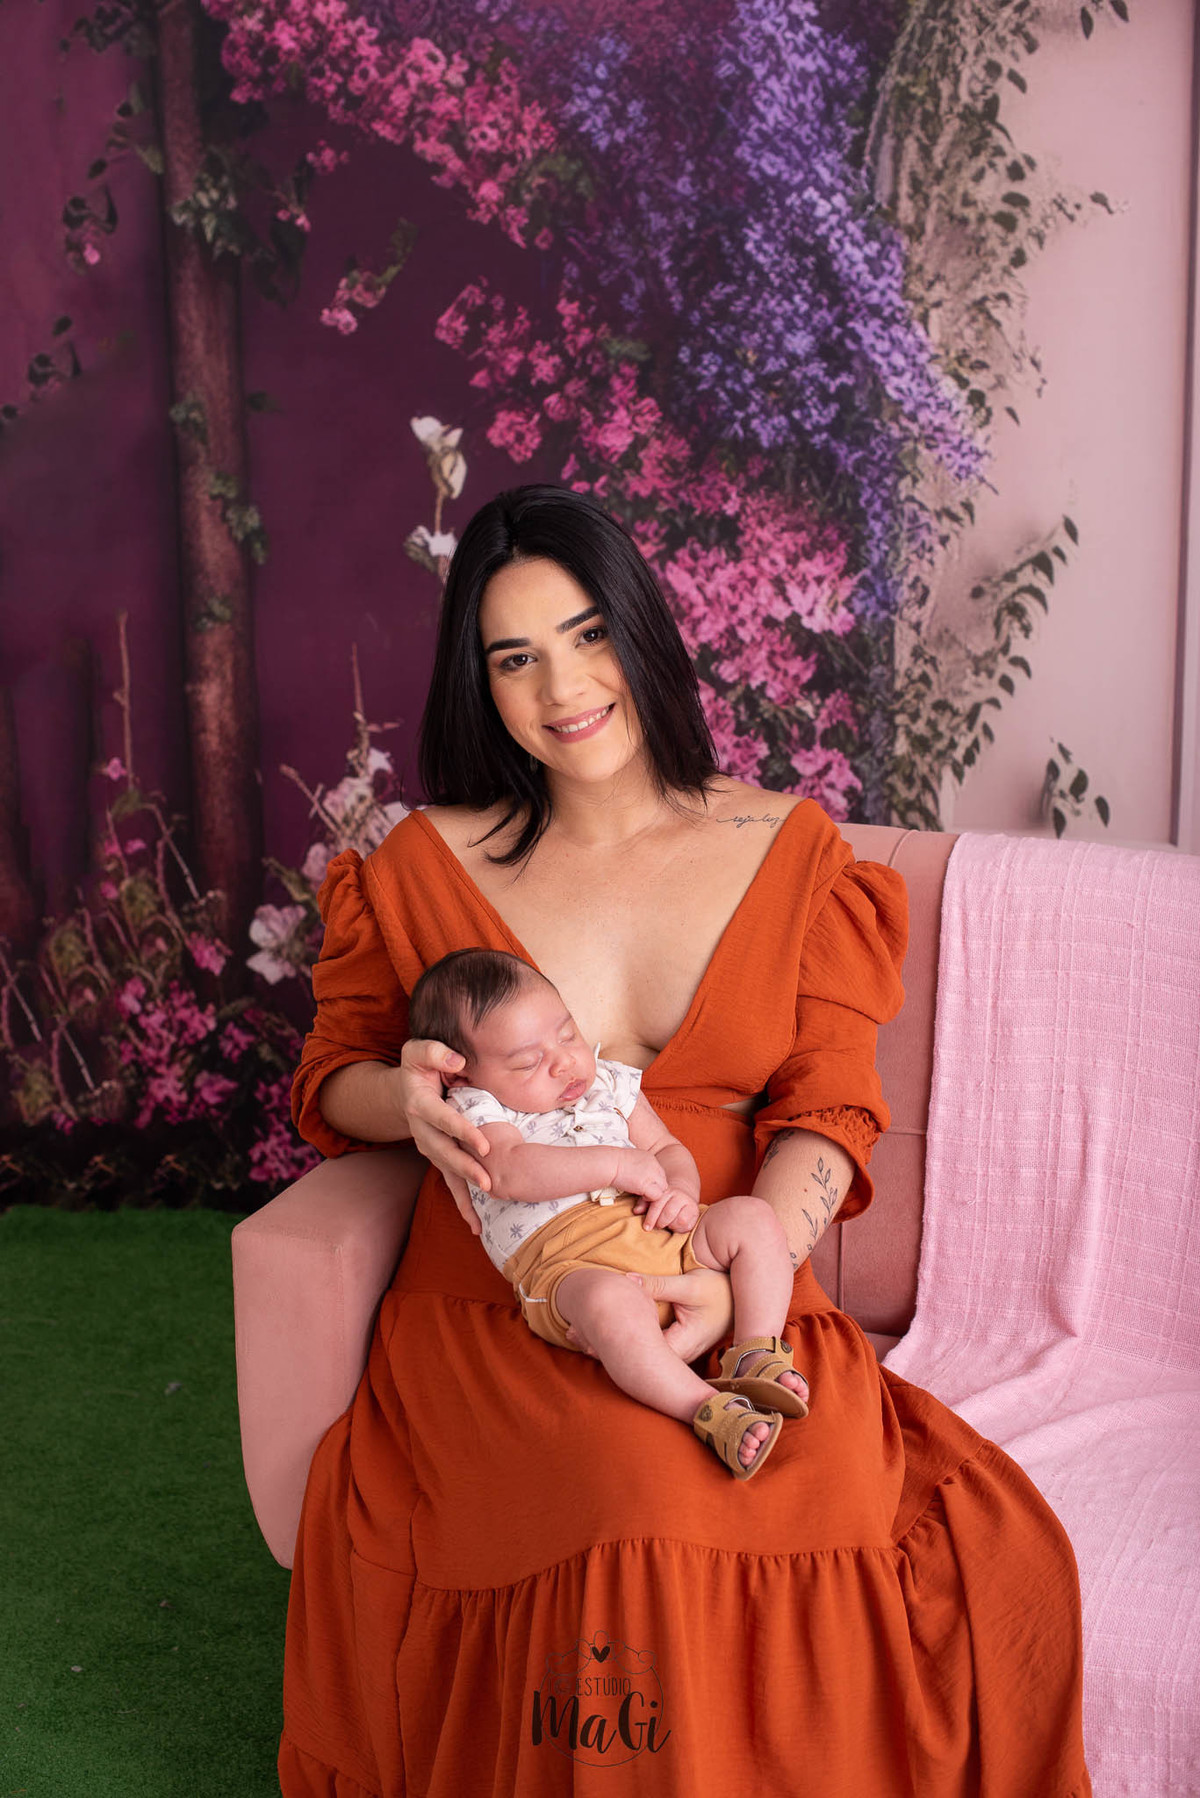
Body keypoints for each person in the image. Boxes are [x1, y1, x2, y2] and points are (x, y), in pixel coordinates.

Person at [282, 483, 1091, 1795]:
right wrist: (408, 1100)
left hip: (732, 1267)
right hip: (517, 1297)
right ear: (478, 682)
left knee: (814, 1500)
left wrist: (740, 1270)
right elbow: (333, 1080)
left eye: (587, 635)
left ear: (642, 630)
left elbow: (830, 1111)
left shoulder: (792, 848)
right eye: (514, 656)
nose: (562, 687)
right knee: (632, 1497)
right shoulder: (419, 863)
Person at [409, 946, 810, 1479]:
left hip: (660, 1230)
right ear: (461, 1077)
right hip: (570, 1265)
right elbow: (508, 1170)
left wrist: (681, 1190)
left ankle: (755, 1352)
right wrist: (616, 1165)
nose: (563, 1062)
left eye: (568, 1034)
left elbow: (665, 1149)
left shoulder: (610, 1084)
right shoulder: (477, 1108)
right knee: (607, 1302)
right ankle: (708, 1409)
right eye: (527, 1062)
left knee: (753, 1217)